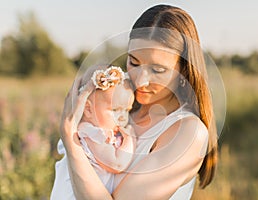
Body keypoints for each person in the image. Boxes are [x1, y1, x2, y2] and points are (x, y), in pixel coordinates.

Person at [56, 4, 218, 199]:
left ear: (183, 71)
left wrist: (70, 138)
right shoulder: (121, 106)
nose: (140, 81)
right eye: (133, 62)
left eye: (157, 70)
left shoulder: (188, 133)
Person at [50, 66, 136, 199]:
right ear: (88, 110)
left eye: (127, 110)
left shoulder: (103, 132)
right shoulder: (91, 134)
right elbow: (117, 163)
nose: (123, 117)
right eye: (115, 110)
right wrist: (130, 138)